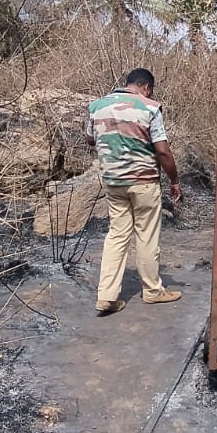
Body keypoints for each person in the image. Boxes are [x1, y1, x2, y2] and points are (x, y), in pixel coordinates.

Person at [85, 68, 183, 315]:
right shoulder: (150, 107)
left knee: (117, 235)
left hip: (113, 183)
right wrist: (174, 180)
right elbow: (162, 150)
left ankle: (106, 296)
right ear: (147, 87)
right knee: (146, 236)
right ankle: (152, 291)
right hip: (143, 182)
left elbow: (90, 139)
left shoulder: (97, 106)